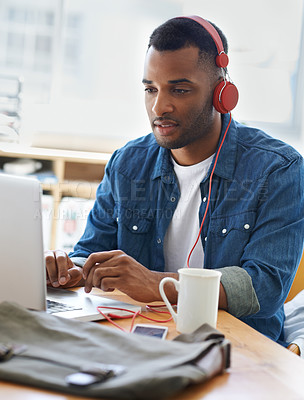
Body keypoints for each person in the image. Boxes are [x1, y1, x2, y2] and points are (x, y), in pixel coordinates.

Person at [45, 16, 304, 346]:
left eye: (179, 89)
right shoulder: (127, 163)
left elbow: (266, 286)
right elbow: (91, 253)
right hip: (136, 338)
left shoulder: (278, 169)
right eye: (150, 89)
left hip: (236, 347)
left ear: (222, 93)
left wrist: (158, 284)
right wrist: (68, 269)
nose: (159, 106)